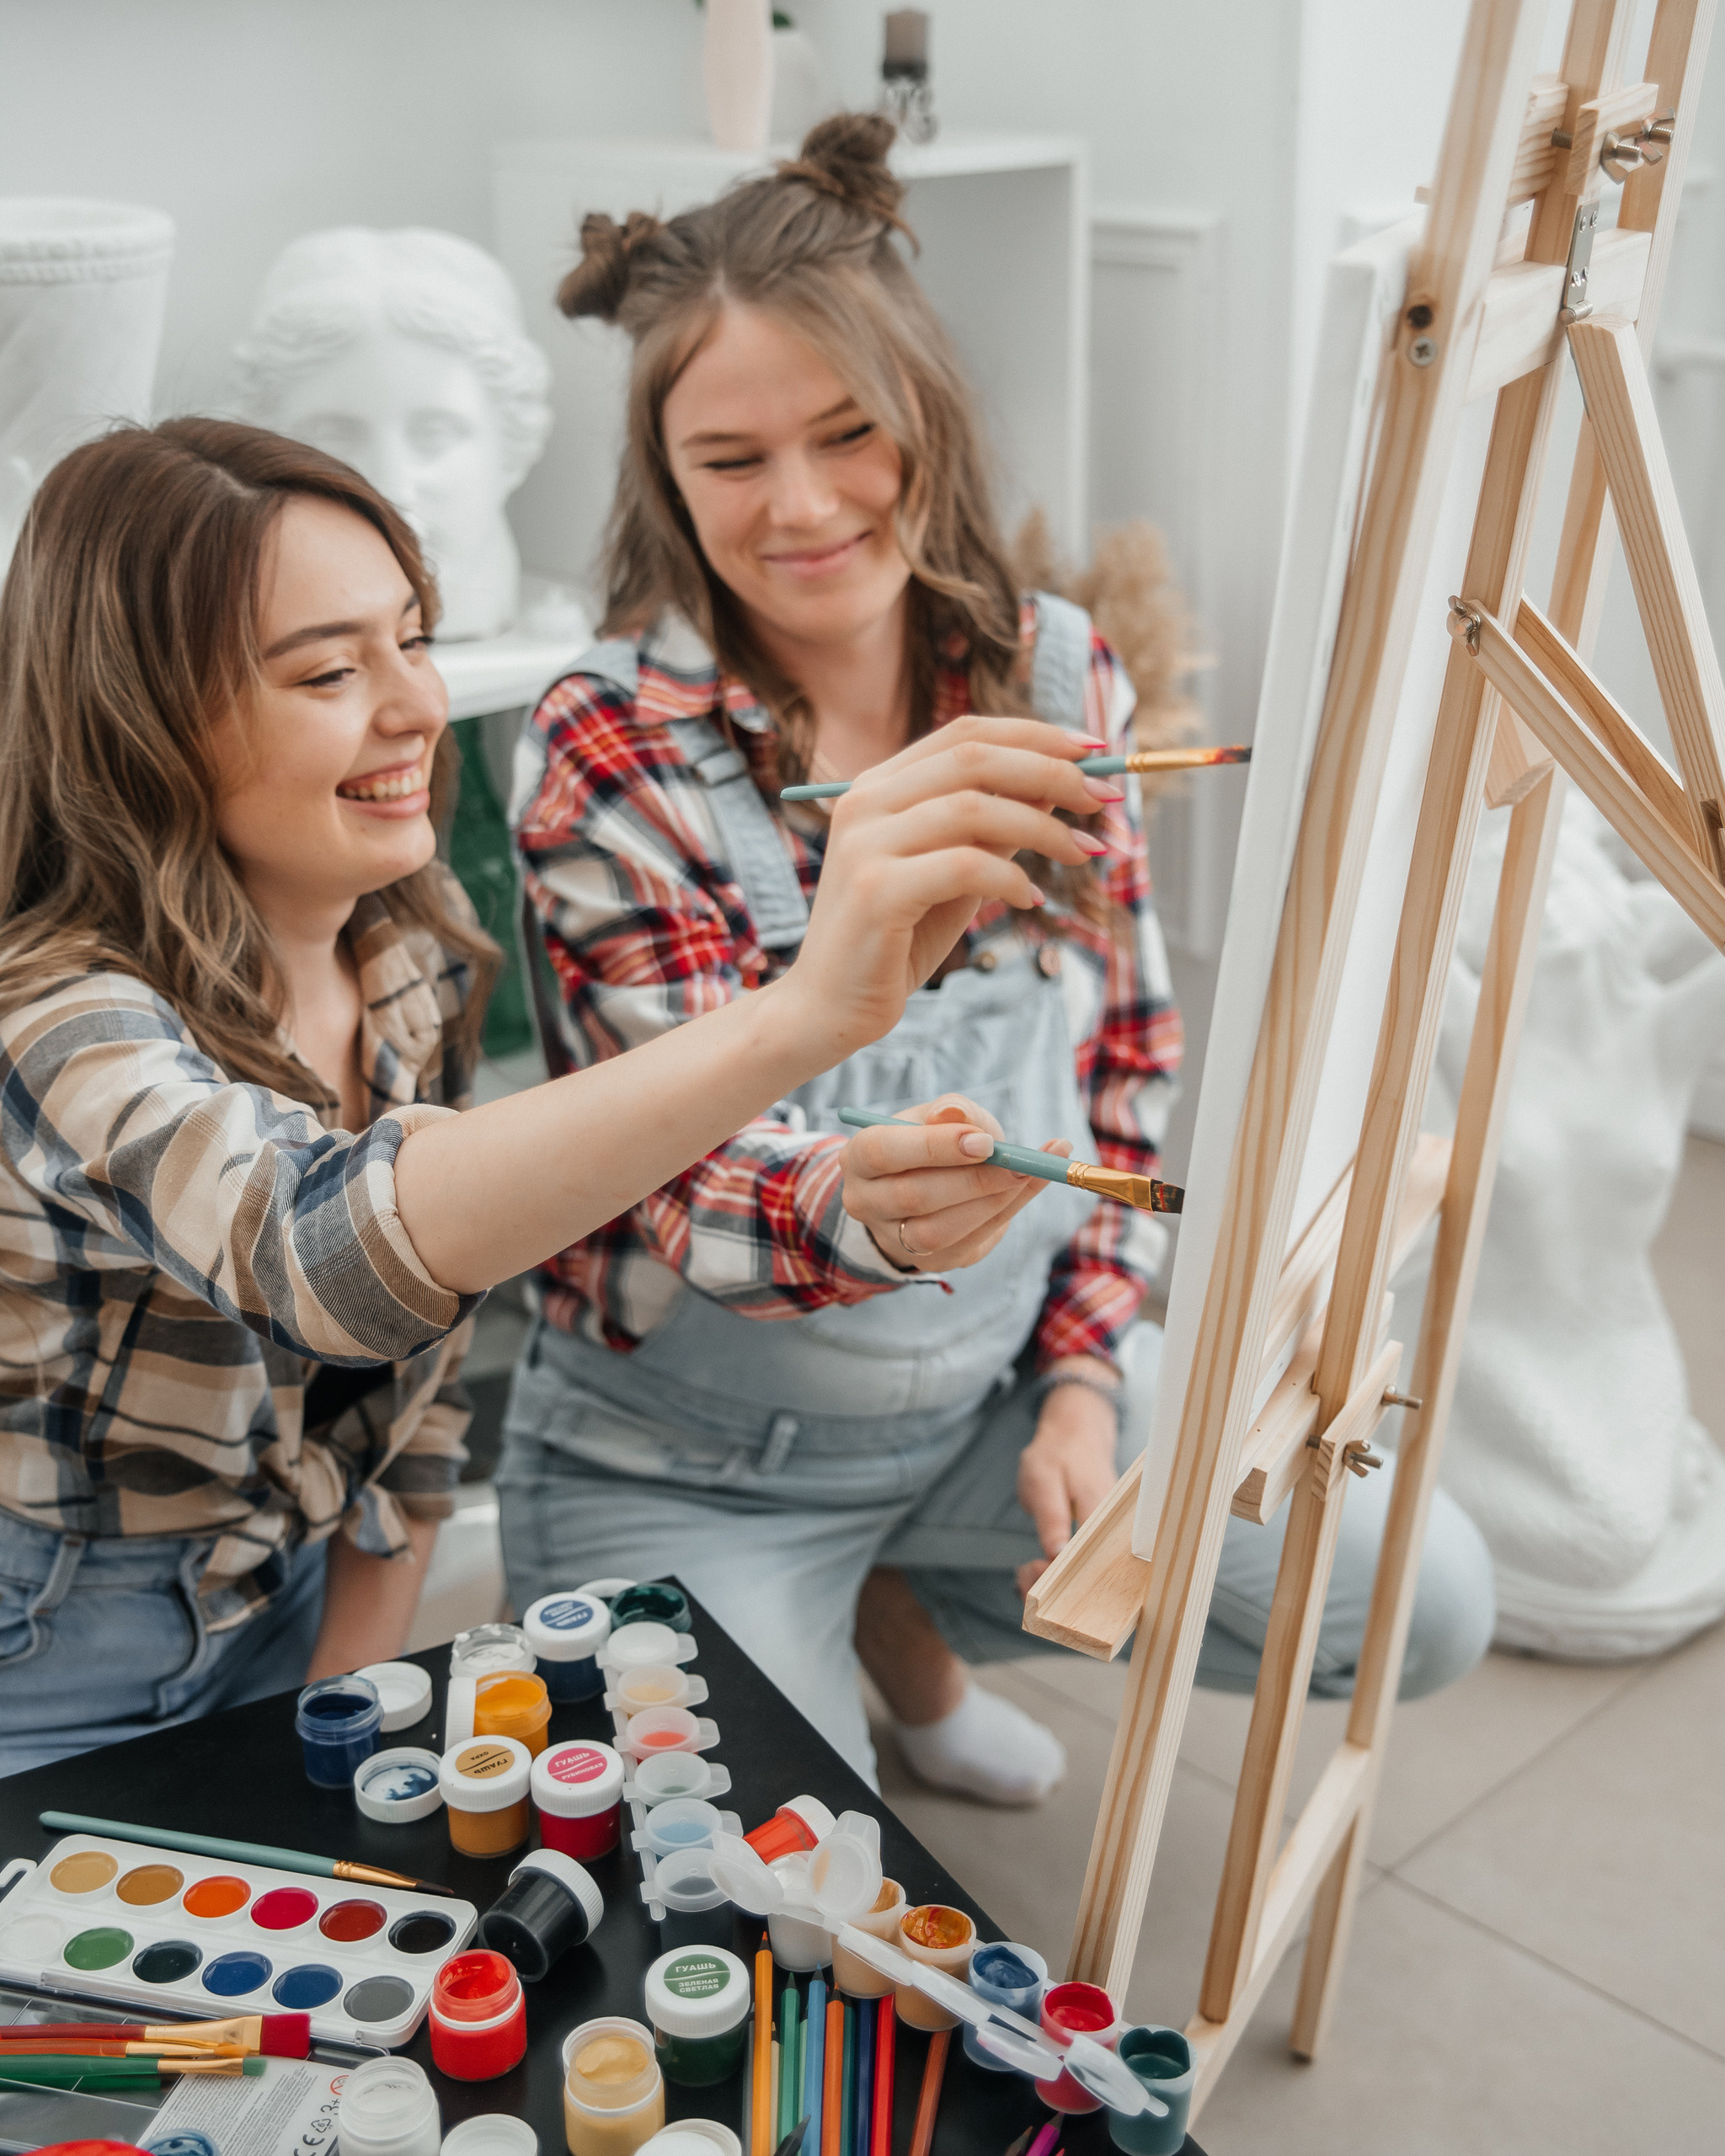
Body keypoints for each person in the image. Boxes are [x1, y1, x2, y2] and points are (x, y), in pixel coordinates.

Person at [500, 115, 1496, 1802]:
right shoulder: (607, 739)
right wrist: (863, 1183)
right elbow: (680, 1185)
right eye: (730, 459)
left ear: (925, 418)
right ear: (665, 475)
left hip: (980, 1398)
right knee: (760, 1880)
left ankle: (895, 1592)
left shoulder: (1053, 670)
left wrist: (1084, 1383)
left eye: (846, 434)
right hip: (690, 1453)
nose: (802, 505)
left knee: (1413, 1591)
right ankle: (861, 1626)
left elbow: (1116, 1062)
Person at [0, 416, 1103, 1776]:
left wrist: (345, 1704)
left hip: (277, 1596)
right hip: (48, 1643)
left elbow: (425, 1378)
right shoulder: (53, 1021)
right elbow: (324, 1258)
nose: (415, 705)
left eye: (414, 638)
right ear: (143, 722)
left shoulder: (408, 945)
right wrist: (808, 1014)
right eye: (332, 670)